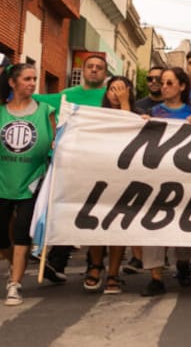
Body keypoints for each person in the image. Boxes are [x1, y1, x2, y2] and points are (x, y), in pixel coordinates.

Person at [34, 54, 108, 283]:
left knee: (95, 212)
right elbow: (32, 100)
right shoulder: (66, 96)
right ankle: (57, 261)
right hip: (70, 165)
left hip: (100, 165)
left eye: (99, 67)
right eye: (90, 66)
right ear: (82, 71)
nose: (94, 70)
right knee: (66, 209)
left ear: (105, 73)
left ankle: (94, 264)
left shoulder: (109, 96)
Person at [141, 67, 191, 297]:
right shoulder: (153, 112)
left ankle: (184, 263)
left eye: (169, 83)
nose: (163, 87)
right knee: (151, 222)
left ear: (182, 86)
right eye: (161, 82)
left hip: (184, 178)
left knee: (182, 220)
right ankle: (155, 277)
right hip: (156, 177)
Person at [1, 63, 55, 306]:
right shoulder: (1, 113)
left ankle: (15, 284)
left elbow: (57, 141)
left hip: (33, 182)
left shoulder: (46, 111)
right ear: (12, 83)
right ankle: (15, 265)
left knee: (22, 232)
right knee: (2, 237)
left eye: (34, 79)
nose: (32, 83)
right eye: (27, 79)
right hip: (3, 182)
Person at [83, 76, 137, 294]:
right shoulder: (97, 116)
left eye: (122, 89)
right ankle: (96, 266)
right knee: (96, 222)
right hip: (100, 177)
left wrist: (125, 105)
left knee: (118, 225)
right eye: (113, 89)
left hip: (125, 179)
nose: (117, 93)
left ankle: (114, 273)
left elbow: (129, 130)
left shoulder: (138, 114)